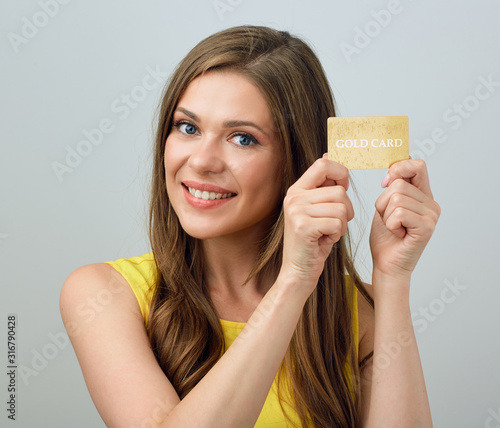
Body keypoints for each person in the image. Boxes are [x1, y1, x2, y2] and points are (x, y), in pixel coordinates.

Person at [59, 25, 440, 427]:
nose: (203, 161)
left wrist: (393, 280)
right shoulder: (102, 294)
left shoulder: (356, 311)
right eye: (187, 127)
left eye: (242, 138)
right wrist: (293, 281)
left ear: (297, 161)